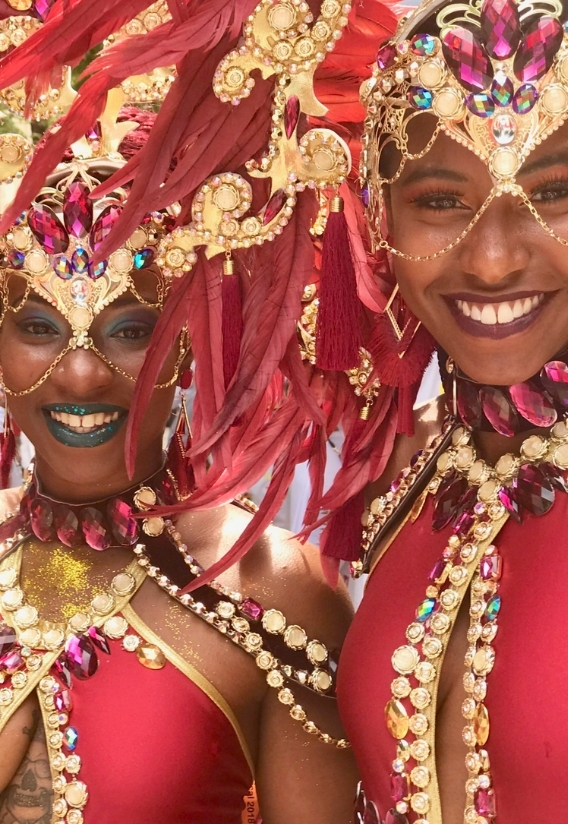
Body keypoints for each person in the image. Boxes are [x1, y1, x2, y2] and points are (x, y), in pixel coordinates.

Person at [0, 3, 370, 821]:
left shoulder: (276, 592)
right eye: (37, 326)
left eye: (131, 328)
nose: (84, 373)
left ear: (193, 340)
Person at [323, 0, 568, 822]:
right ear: (378, 216)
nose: (492, 260)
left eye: (556, 191)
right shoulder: (408, 467)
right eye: (439, 200)